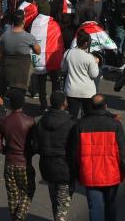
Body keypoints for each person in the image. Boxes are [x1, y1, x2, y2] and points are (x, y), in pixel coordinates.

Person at [69, 94, 125, 221]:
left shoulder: (80, 125)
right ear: (106, 106)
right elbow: (123, 152)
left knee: (95, 207)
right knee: (111, 205)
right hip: (111, 173)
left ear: (91, 107)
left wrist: (75, 174)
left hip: (89, 174)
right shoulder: (115, 124)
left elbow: (74, 153)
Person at [30, 91, 75, 221]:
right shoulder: (71, 123)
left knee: (54, 199)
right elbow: (75, 148)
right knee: (63, 202)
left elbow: (35, 146)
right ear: (64, 104)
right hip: (65, 167)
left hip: (46, 166)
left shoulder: (41, 121)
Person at [0, 89, 36, 221]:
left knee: (12, 194)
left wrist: (6, 151)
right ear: (22, 104)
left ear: (10, 105)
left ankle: (15, 217)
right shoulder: (30, 121)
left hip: (9, 162)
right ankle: (20, 216)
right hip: (24, 162)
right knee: (28, 190)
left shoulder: (3, 121)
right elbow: (34, 144)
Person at [0, 12, 40, 97]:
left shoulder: (4, 36)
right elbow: (38, 51)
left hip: (8, 67)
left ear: (12, 22)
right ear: (24, 21)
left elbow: (0, 54)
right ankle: (33, 90)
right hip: (23, 70)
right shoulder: (29, 37)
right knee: (34, 66)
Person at [62, 31, 99, 118]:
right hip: (87, 92)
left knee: (72, 116)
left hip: (72, 90)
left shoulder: (68, 52)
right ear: (86, 43)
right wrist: (96, 62)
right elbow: (94, 74)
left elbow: (63, 68)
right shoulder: (90, 57)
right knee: (88, 117)